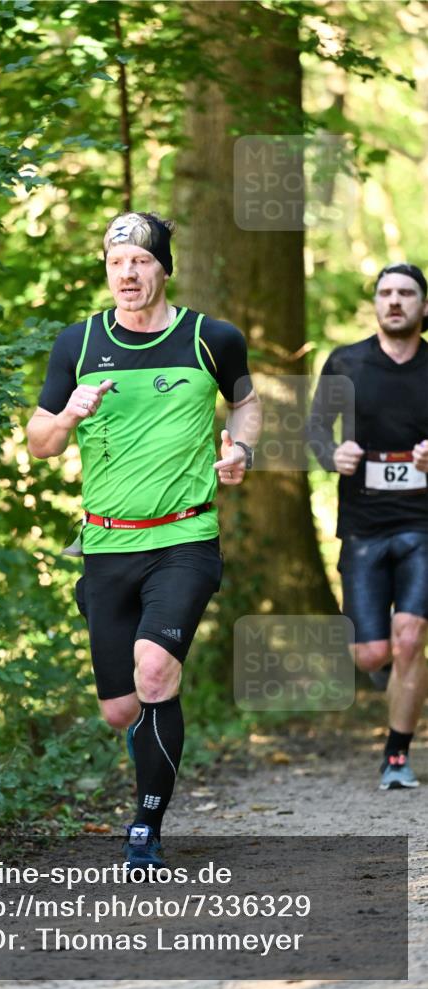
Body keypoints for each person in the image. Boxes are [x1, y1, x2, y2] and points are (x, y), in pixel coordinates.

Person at [26, 211, 261, 867]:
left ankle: (145, 827)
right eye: (115, 262)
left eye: (140, 261)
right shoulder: (77, 343)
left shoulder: (211, 339)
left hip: (185, 537)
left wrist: (241, 449)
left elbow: (246, 402)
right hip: (106, 545)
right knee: (120, 708)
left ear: (163, 268)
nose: (127, 273)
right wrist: (67, 415)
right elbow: (40, 443)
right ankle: (154, 749)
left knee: (154, 672)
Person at [308, 262, 428, 790]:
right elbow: (315, 431)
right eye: (385, 293)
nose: (394, 301)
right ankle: (393, 669)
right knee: (371, 653)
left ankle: (396, 756)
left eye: (406, 293)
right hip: (363, 525)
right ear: (376, 303)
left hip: (423, 523)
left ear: (424, 306)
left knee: (410, 638)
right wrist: (333, 454)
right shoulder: (347, 361)